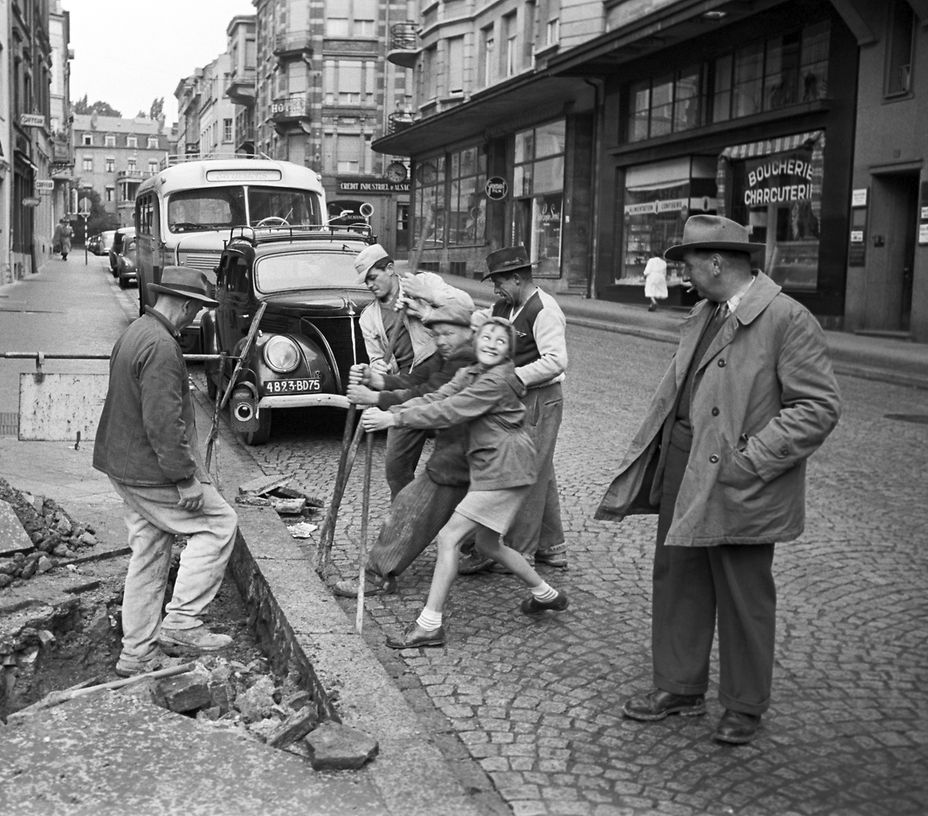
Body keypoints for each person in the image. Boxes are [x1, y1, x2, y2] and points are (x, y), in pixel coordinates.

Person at [595, 214, 841, 745]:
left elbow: (817, 408)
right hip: (686, 464)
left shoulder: (786, 318)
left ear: (716, 262)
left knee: (743, 592)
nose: (681, 273)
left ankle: (744, 705)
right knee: (678, 577)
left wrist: (750, 459)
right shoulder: (705, 311)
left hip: (740, 477)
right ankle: (679, 688)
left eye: (687, 263)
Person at [360, 317, 569, 650]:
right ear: (476, 340)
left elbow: (450, 411)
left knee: (449, 537)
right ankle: (546, 594)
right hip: (493, 467)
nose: (491, 344)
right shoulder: (470, 373)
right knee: (488, 545)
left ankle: (429, 625)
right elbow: (436, 397)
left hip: (507, 468)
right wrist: (380, 401)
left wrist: (393, 419)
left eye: (501, 342)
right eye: (486, 337)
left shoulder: (496, 382)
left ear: (508, 353)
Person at [93, 266, 239, 677]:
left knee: (150, 548)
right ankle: (182, 623)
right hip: (149, 469)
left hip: (124, 464)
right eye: (196, 310)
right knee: (218, 524)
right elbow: (163, 422)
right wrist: (185, 479)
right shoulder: (160, 346)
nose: (195, 318)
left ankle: (136, 653)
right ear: (187, 305)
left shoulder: (137, 331)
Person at [329, 303, 477, 598]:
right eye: (436, 335)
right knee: (470, 514)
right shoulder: (450, 355)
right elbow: (418, 381)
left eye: (448, 333)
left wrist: (382, 403)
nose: (442, 341)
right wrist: (378, 379)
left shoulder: (467, 360)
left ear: (469, 332)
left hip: (464, 454)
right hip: (478, 453)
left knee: (411, 504)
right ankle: (486, 553)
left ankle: (378, 574)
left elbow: (431, 399)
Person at [459, 246, 569, 572]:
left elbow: (555, 360)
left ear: (518, 278)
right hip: (518, 397)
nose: (495, 289)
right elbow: (478, 320)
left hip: (540, 398)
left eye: (499, 282)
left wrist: (513, 378)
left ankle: (517, 552)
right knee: (540, 469)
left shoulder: (545, 310)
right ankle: (553, 548)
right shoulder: (505, 305)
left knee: (525, 474)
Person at [354, 243, 473, 498]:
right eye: (366, 282)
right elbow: (376, 358)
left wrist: (426, 299)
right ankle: (407, 514)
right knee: (396, 468)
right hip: (406, 386)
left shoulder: (422, 283)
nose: (370, 286)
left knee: (453, 460)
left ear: (389, 269)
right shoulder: (368, 317)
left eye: (373, 278)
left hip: (443, 374)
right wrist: (378, 371)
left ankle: (458, 524)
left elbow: (466, 306)